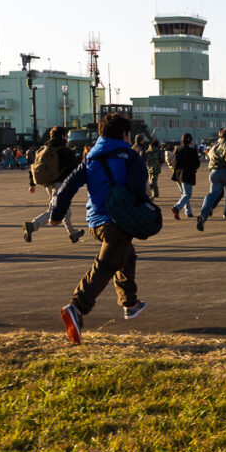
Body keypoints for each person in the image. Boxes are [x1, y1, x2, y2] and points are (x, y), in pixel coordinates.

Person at [51, 112, 149, 345]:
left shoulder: (90, 158)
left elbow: (67, 187)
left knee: (126, 254)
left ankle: (130, 303)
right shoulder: (131, 157)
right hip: (119, 220)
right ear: (125, 134)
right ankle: (77, 307)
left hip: (96, 222)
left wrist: (56, 215)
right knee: (107, 264)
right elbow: (139, 190)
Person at [23, 126, 85, 244]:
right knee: (56, 210)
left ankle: (72, 233)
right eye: (66, 136)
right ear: (62, 136)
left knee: (63, 209)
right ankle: (32, 226)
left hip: (48, 184)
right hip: (61, 184)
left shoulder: (43, 149)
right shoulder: (65, 150)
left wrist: (32, 183)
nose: (67, 138)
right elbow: (75, 168)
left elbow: (34, 167)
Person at [196, 128, 226, 229]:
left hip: (213, 173)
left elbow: (209, 155)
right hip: (225, 171)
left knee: (212, 195)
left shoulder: (215, 145)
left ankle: (203, 214)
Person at [171, 133, 200, 220]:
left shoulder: (177, 149)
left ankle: (188, 212)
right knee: (187, 194)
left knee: (184, 194)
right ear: (190, 140)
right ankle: (177, 207)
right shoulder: (192, 151)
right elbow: (197, 164)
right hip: (187, 175)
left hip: (177, 174)